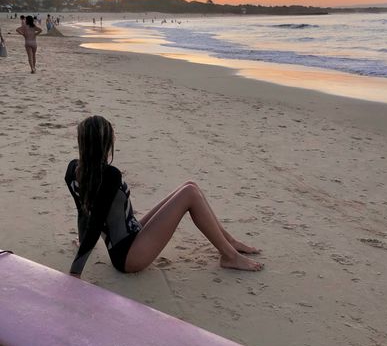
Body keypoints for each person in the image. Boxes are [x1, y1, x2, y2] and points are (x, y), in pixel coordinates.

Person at [65, 115, 263, 278]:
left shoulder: (73, 170)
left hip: (131, 235)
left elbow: (83, 213)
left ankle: (230, 243)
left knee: (189, 185)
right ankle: (229, 256)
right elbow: (95, 222)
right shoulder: (109, 175)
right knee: (190, 193)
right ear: (106, 143)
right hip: (129, 256)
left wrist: (82, 242)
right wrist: (75, 273)